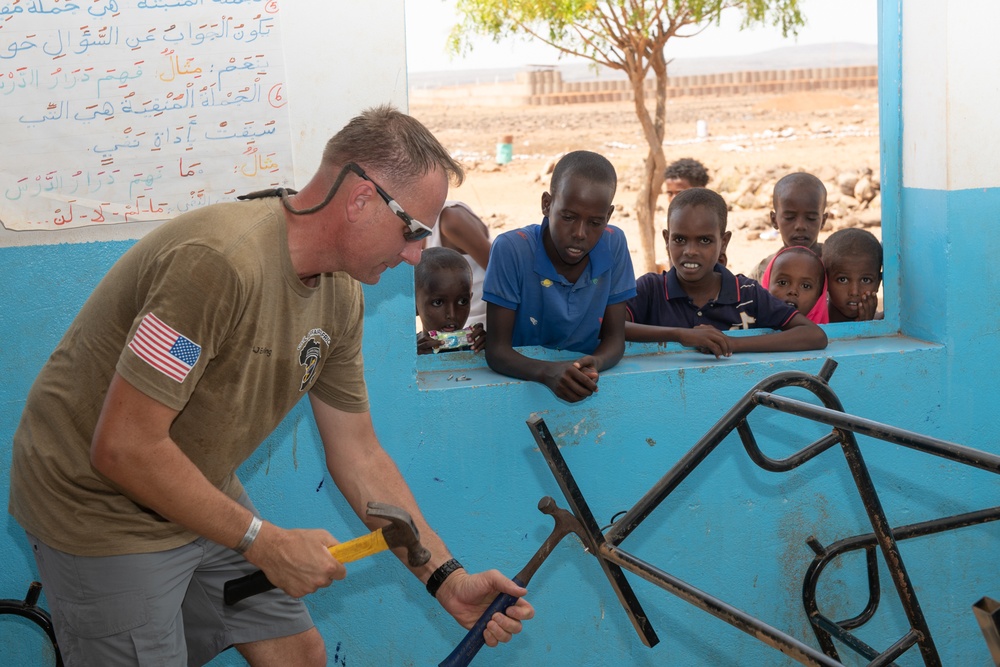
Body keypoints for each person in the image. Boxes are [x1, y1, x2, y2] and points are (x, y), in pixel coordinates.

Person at [7, 105, 533, 667]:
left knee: (298, 654)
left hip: (191, 479)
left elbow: (358, 453)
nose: (415, 256)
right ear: (360, 199)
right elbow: (124, 446)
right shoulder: (215, 268)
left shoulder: (340, 295)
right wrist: (263, 541)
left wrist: (445, 578)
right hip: (97, 501)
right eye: (411, 231)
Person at [482, 150, 636, 403]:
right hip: (519, 393)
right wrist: (548, 372)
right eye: (568, 217)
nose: (579, 233)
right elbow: (497, 351)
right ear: (547, 204)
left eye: (595, 222)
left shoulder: (613, 243)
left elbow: (614, 338)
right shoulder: (512, 249)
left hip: (580, 381)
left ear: (608, 216)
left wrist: (595, 361)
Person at [625, 188, 827, 356]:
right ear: (666, 240)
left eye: (705, 240)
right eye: (679, 240)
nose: (691, 251)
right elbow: (611, 327)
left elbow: (814, 335)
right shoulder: (651, 289)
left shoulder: (747, 294)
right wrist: (680, 335)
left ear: (724, 243)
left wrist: (731, 343)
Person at [751, 172, 828, 280]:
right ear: (774, 220)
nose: (800, 226)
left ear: (823, 221)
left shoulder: (836, 267)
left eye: (811, 218)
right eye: (789, 217)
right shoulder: (763, 272)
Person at [425, 201, 491, 327]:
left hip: (480, 326)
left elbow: (503, 274)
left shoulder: (451, 220)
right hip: (448, 329)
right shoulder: (407, 229)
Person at [416, 246, 486, 354]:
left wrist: (491, 348)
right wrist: (414, 361)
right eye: (438, 303)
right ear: (414, 305)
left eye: (462, 301)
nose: (452, 315)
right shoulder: (407, 353)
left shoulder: (476, 346)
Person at [823, 227, 884, 322]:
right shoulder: (811, 324)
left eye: (865, 280)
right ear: (825, 281)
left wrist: (867, 327)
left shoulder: (886, 325)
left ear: (878, 283)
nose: (854, 292)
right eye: (843, 280)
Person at [761, 245, 829, 324]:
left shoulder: (831, 333)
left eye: (805, 286)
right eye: (783, 283)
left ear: (820, 295)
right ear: (767, 285)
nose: (793, 291)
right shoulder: (749, 326)